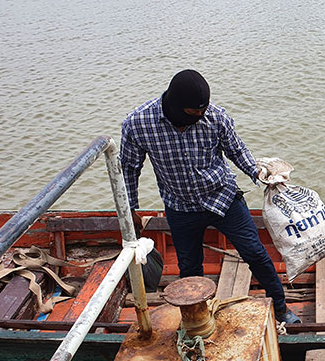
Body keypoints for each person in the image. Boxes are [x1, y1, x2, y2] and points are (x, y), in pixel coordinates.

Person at [119, 69, 301, 324]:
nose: (200, 118)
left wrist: (259, 173)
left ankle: (281, 310)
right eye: (193, 115)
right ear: (175, 107)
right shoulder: (138, 123)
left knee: (255, 253)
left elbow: (236, 151)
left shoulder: (216, 117)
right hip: (179, 205)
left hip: (222, 197)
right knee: (189, 268)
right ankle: (197, 319)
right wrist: (131, 210)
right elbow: (129, 167)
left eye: (202, 113)